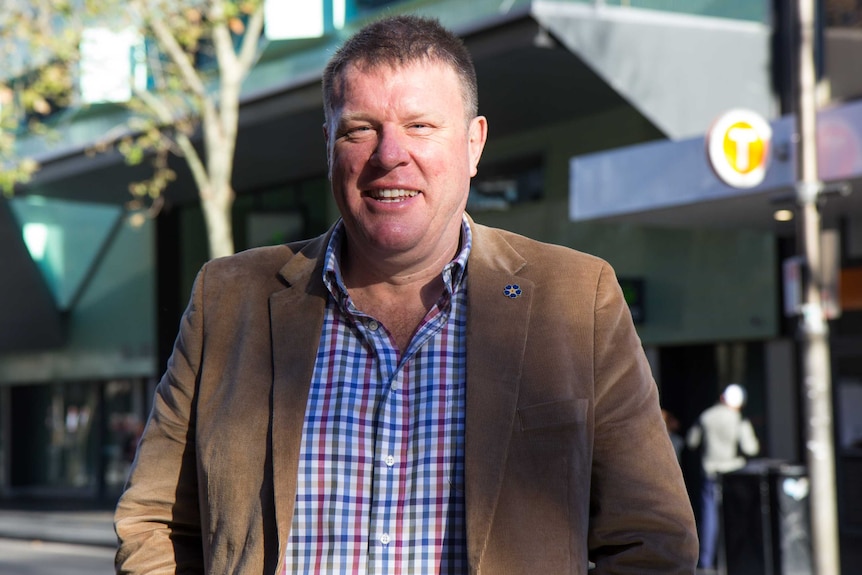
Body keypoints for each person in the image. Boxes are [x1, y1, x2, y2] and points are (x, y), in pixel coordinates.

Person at [114, 14, 697, 574]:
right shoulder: (229, 299)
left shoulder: (575, 299)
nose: (389, 155)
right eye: (360, 129)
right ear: (328, 145)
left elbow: (651, 541)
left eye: (420, 126)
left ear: (474, 143)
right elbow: (154, 524)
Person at [686, 383, 760, 572]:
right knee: (734, 518)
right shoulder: (738, 419)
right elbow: (751, 448)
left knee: (709, 518)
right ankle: (733, 559)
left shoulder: (706, 416)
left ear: (722, 398)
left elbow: (691, 442)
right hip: (732, 476)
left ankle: (706, 561)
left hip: (710, 472)